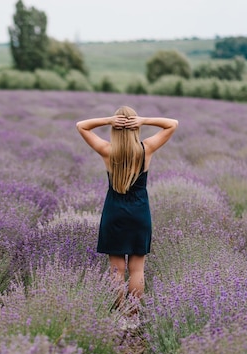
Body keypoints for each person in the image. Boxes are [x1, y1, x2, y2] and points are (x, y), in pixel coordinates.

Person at [76, 106, 178, 330]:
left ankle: (119, 317)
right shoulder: (146, 149)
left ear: (115, 127)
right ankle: (133, 318)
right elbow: (172, 123)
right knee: (137, 269)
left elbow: (81, 126)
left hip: (114, 213)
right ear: (135, 128)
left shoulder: (107, 150)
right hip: (139, 213)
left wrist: (109, 120)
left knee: (116, 270)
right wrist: (143, 120)